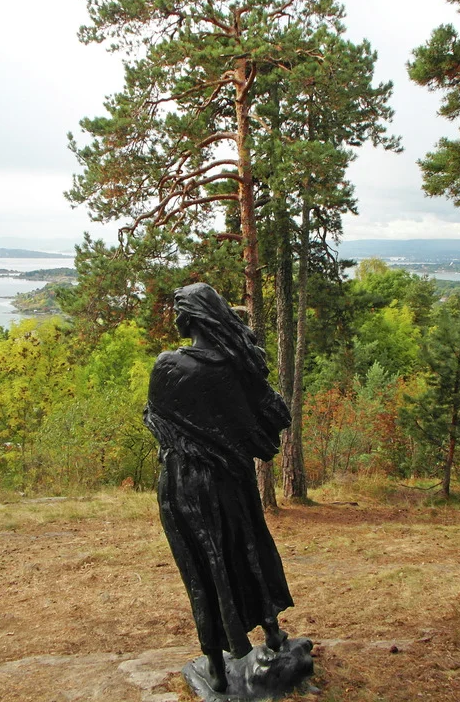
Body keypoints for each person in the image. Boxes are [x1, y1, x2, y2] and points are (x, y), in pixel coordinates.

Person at [144, 283, 294, 694]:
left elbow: (158, 424)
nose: (174, 317)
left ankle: (214, 664)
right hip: (231, 479)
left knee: (201, 569)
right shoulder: (235, 367)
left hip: (183, 483)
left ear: (191, 315)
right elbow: (277, 415)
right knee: (250, 551)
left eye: (177, 309)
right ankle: (273, 633)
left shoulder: (168, 366)